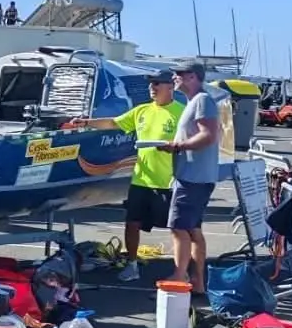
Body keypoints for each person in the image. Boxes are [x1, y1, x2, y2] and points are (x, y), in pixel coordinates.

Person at [70, 70, 184, 282]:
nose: (152, 87)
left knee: (178, 229)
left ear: (170, 87)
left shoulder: (181, 112)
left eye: (157, 83)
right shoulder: (142, 111)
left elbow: (193, 143)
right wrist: (86, 122)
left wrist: (176, 148)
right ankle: (131, 265)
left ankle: (182, 269)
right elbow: (114, 123)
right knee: (132, 223)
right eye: (151, 84)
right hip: (141, 179)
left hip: (169, 181)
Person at [160, 61, 221, 294]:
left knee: (178, 227)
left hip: (193, 177)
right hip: (195, 176)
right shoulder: (194, 101)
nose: (174, 78)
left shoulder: (203, 101)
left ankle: (180, 274)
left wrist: (178, 146)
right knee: (193, 229)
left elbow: (208, 136)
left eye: (179, 74)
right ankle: (198, 281)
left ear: (193, 77)